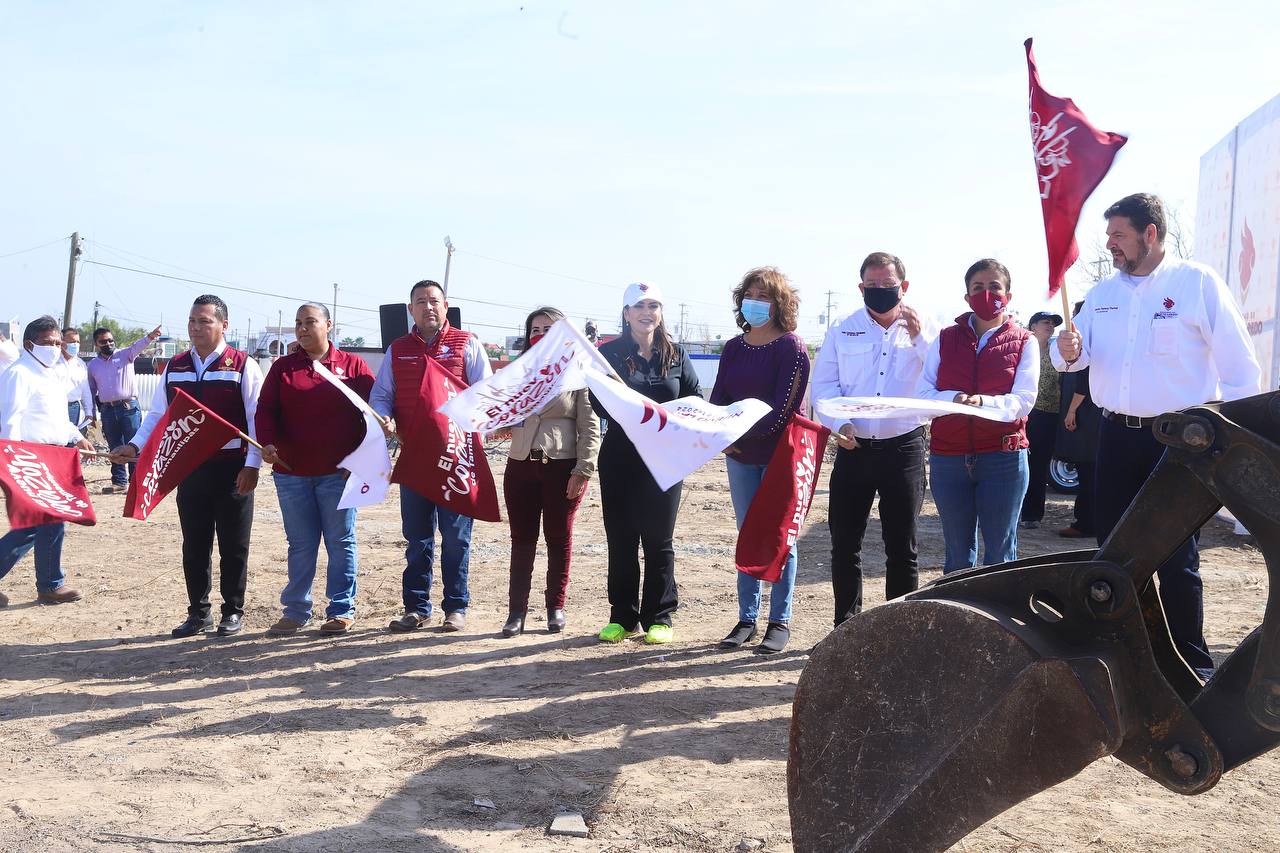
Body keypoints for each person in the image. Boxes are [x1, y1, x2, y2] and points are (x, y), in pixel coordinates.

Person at [1055, 192, 1261, 679]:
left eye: (1118, 235)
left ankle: (1191, 665)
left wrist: (1231, 439)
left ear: (1150, 234)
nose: (1110, 245)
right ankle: (1125, 659)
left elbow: (1239, 369)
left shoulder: (1196, 284)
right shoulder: (1104, 294)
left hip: (1176, 445)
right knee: (1113, 553)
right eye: (1109, 236)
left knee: (1175, 557)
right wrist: (1066, 350)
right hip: (1115, 438)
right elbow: (1073, 358)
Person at [110, 296, 263, 638]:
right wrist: (135, 445)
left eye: (205, 321)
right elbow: (158, 416)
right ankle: (198, 612)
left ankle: (232, 612)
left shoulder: (242, 365)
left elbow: (257, 419)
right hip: (190, 469)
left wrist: (252, 465)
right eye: (192, 320)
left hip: (232, 469)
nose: (196, 327)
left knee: (234, 546)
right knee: (195, 544)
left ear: (224, 325)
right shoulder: (175, 366)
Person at [812, 252, 936, 628]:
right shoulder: (842, 328)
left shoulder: (928, 328)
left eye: (888, 285)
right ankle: (846, 628)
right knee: (845, 545)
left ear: (905, 286)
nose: (880, 291)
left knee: (902, 548)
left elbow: (942, 380)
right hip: (854, 450)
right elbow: (824, 387)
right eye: (872, 286)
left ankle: (896, 633)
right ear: (861, 287)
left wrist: (919, 337)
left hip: (905, 448)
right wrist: (841, 422)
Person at [370, 280, 493, 633]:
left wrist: (473, 439)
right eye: (420, 302)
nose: (428, 307)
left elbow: (485, 395)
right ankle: (416, 608)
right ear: (410, 309)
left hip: (456, 459)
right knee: (417, 537)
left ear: (446, 305)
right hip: (414, 461)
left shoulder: (466, 344)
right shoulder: (398, 349)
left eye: (434, 301)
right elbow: (382, 395)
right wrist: (385, 416)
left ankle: (456, 607)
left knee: (456, 538)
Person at [592, 282, 701, 645]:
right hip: (621, 457)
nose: (646, 312)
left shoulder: (677, 355)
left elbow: (694, 400)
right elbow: (599, 404)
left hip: (664, 460)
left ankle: (660, 616)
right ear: (626, 314)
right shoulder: (607, 354)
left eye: (653, 305)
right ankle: (621, 615)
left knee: (659, 540)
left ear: (660, 312)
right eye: (638, 306)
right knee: (621, 539)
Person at [256, 303, 375, 636]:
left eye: (310, 322)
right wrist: (267, 443)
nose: (303, 329)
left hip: (339, 475)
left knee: (340, 541)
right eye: (298, 323)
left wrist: (361, 460)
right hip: (291, 474)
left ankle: (341, 610)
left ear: (329, 326)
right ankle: (295, 611)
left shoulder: (353, 366)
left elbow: (374, 415)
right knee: (301, 544)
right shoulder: (283, 368)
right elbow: (265, 410)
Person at [710, 267, 810, 653]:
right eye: (750, 294)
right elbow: (718, 398)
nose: (756, 301)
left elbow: (784, 411)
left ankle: (779, 621)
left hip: (780, 456)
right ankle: (746, 619)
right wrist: (722, 436)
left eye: (765, 296)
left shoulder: (791, 347)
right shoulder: (734, 348)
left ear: (780, 303)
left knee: (781, 536)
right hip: (738, 456)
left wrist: (739, 434)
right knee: (747, 534)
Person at [917, 259, 1038, 573]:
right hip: (949, 458)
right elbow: (923, 395)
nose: (987, 293)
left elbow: (1023, 401)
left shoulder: (1025, 341)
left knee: (1000, 554)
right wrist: (955, 399)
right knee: (957, 554)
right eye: (978, 288)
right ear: (967, 296)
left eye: (995, 287)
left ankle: (999, 621)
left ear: (1008, 295)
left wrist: (981, 402)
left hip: (1003, 458)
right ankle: (958, 617)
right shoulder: (944, 339)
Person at [500, 307, 601, 637]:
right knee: (522, 540)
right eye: (534, 329)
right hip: (520, 465)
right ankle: (516, 612)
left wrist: (583, 468)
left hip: (562, 467)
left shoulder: (578, 371)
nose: (540, 334)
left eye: (548, 328)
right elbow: (499, 411)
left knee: (559, 538)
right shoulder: (518, 371)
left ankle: (555, 607)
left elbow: (589, 426)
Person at [0, 316, 94, 608]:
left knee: (50, 522)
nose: (55, 347)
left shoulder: (50, 373)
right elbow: (9, 422)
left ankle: (50, 584)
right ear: (29, 345)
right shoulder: (19, 374)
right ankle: (51, 585)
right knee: (36, 525)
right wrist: (12, 467)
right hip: (31, 459)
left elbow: (56, 417)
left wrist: (76, 436)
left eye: (58, 342)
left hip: (55, 455)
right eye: (48, 343)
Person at [88, 323, 162, 493]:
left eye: (110, 340)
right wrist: (91, 414)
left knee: (134, 444)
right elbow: (92, 391)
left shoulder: (125, 355)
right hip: (107, 410)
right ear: (96, 344)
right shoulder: (92, 365)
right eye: (103, 342)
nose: (108, 344)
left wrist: (151, 336)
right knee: (114, 446)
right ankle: (119, 482)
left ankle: (136, 482)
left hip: (128, 408)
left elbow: (138, 346)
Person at [1056, 302, 1101, 540]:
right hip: (1095, 417)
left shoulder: (1086, 343)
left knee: (1088, 472)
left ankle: (1085, 523)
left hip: (1088, 418)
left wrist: (1071, 410)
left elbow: (1083, 383)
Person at [1019, 311, 1063, 530]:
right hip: (1025, 414)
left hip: (1049, 415)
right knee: (1019, 463)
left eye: (1053, 324)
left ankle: (1032, 514)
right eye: (1046, 322)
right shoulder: (1022, 348)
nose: (1050, 326)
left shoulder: (1058, 353)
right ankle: (1013, 509)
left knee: (1039, 464)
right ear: (1033, 325)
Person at [57, 328, 94, 430]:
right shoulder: (53, 361)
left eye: (78, 342)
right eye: (72, 342)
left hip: (73, 408)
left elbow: (85, 390)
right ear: (62, 342)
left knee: (70, 441)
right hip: (55, 406)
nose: (76, 345)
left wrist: (89, 412)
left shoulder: (80, 364)